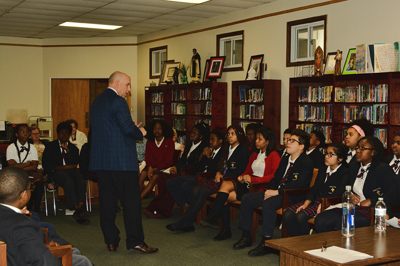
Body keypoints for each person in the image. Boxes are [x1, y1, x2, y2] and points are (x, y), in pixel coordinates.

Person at [89, 71, 157, 253]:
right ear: (117, 83)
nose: (129, 90)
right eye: (127, 85)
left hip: (102, 162)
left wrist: (129, 128)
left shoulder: (96, 102)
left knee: (107, 203)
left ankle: (111, 241)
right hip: (122, 163)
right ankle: (135, 241)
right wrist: (140, 132)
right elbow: (128, 129)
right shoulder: (118, 101)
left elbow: (110, 129)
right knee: (131, 204)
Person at [233, 129, 313, 256]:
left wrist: (276, 192)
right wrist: (269, 190)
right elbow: (275, 178)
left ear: (301, 146)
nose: (287, 142)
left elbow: (299, 184)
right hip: (278, 192)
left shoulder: (306, 162)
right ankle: (246, 236)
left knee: (268, 204)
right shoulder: (286, 158)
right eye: (288, 139)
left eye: (292, 141)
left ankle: (266, 242)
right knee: (247, 198)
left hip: (293, 196)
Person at [200, 127, 281, 241]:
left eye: (260, 139)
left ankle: (218, 221)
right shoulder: (254, 155)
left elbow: (274, 176)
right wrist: (242, 177)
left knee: (225, 195)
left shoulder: (273, 155)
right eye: (256, 139)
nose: (256, 141)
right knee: (225, 190)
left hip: (260, 187)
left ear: (268, 141)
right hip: (249, 184)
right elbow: (247, 171)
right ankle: (221, 225)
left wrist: (254, 180)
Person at [0, 167, 92, 266]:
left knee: (75, 253)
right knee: (82, 261)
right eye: (30, 188)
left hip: (17, 255)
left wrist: (42, 247)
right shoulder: (22, 225)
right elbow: (46, 262)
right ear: (23, 195)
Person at [166, 125, 250, 232]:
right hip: (220, 178)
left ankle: (186, 221)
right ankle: (188, 221)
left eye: (233, 134)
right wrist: (219, 172)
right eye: (228, 134)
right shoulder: (226, 149)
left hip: (231, 181)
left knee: (203, 191)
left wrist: (223, 176)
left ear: (239, 135)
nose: (230, 136)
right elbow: (220, 165)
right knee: (196, 189)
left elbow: (241, 171)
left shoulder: (243, 151)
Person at [314, 137, 396, 233]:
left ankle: (347, 247)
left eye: (363, 148)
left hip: (371, 209)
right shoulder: (354, 166)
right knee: (321, 220)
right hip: (353, 206)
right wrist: (351, 195)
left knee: (344, 220)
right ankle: (330, 245)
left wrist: (371, 200)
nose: (358, 151)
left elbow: (391, 194)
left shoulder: (383, 169)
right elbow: (347, 187)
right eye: (357, 148)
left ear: (373, 152)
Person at [143, 122, 210, 219]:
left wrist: (179, 169)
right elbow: (182, 160)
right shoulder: (189, 144)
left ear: (201, 136)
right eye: (191, 132)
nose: (191, 135)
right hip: (182, 171)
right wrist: (175, 167)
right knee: (162, 177)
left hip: (191, 173)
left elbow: (196, 165)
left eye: (194, 134)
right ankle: (159, 207)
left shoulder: (203, 148)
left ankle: (165, 209)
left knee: (170, 182)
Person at [283, 143, 349, 237]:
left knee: (301, 216)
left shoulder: (345, 172)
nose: (326, 156)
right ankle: (296, 241)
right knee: (287, 213)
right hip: (316, 200)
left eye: (331, 154)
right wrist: (306, 202)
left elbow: (340, 192)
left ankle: (306, 243)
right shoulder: (322, 170)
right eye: (326, 153)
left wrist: (325, 203)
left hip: (330, 202)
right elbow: (314, 188)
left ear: (340, 158)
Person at [42, 121, 90, 223]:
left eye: (66, 134)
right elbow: (48, 165)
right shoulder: (51, 146)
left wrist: (68, 152)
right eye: (61, 133)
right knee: (68, 180)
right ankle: (76, 207)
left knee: (80, 180)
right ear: (58, 134)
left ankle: (81, 205)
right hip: (55, 173)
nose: (64, 136)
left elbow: (74, 163)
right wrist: (64, 167)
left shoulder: (73, 148)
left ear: (69, 135)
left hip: (70, 171)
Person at [167, 130, 224, 211]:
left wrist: (208, 156)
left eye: (213, 139)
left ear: (220, 141)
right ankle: (195, 206)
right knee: (170, 182)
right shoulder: (209, 149)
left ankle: (196, 208)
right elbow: (198, 166)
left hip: (208, 178)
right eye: (209, 140)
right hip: (198, 175)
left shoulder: (223, 152)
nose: (210, 142)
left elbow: (215, 169)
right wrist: (202, 155)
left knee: (186, 186)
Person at [6, 124, 43, 213]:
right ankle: (21, 209)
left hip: (29, 172)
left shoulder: (32, 147)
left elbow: (34, 166)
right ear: (16, 134)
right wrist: (27, 163)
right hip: (15, 173)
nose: (25, 134)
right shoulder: (11, 147)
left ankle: (35, 210)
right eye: (22, 132)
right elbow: (11, 167)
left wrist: (18, 165)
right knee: (21, 184)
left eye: (27, 132)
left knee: (39, 183)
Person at [139, 119, 175, 200]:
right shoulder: (149, 142)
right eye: (155, 128)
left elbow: (168, 161)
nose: (157, 130)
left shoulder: (169, 142)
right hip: (151, 166)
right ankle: (135, 198)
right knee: (142, 175)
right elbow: (148, 157)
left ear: (164, 130)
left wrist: (154, 169)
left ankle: (137, 201)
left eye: (159, 128)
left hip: (163, 168)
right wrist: (150, 167)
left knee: (154, 178)